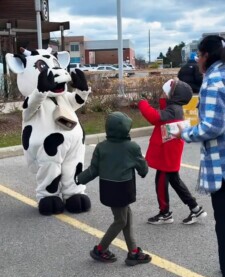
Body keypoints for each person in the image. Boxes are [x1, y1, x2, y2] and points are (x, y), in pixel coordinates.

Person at [174, 35, 225, 277]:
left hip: (222, 164)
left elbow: (212, 127)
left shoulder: (213, 82)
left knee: (224, 223)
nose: (197, 61)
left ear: (205, 56)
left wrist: (184, 132)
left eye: (197, 56)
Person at [76, 111, 151, 266]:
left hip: (108, 189)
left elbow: (93, 170)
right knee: (121, 220)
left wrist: (79, 178)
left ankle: (133, 251)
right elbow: (143, 168)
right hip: (123, 190)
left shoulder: (101, 147)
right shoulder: (132, 147)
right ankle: (100, 249)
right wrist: (143, 170)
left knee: (126, 217)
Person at [138, 78, 207, 225]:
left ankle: (165, 213)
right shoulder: (173, 108)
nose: (163, 94)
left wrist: (142, 104)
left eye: (165, 92)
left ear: (174, 96)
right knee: (175, 181)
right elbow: (160, 114)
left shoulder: (173, 110)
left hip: (167, 156)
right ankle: (195, 209)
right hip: (169, 154)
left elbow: (154, 117)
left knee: (161, 183)